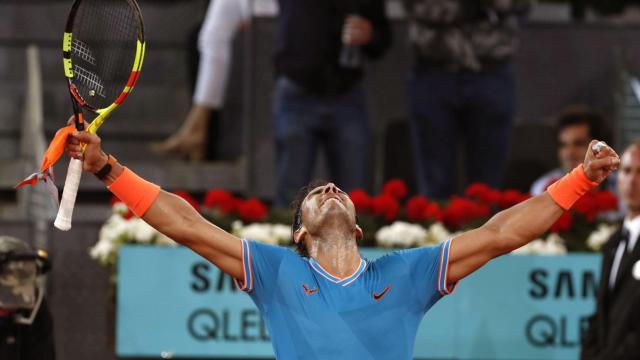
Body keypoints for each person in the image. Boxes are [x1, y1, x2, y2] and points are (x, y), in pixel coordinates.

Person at [66, 124, 619, 358]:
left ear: (358, 226)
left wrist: (580, 181)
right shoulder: (277, 271)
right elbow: (185, 225)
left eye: (339, 189)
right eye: (315, 192)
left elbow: (500, 234)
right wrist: (108, 168)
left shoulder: (406, 274)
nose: (331, 188)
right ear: (300, 232)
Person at [152, 0, 392, 206]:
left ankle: (197, 126)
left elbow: (383, 36)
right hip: (297, 93)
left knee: (354, 201)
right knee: (292, 198)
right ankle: (198, 124)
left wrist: (371, 35)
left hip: (347, 95)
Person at [403, 0, 531, 199]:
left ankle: (484, 228)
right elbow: (418, 7)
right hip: (434, 70)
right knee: (435, 186)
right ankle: (435, 228)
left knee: (487, 188)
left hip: (492, 70)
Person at [581, 142, 640, 360]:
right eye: (626, 171)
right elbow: (600, 315)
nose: (632, 181)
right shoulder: (613, 243)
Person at [0, 236, 55, 360]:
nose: (19, 287)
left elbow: (43, 352)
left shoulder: (35, 307)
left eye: (26, 274)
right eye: (10, 273)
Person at [531, 106, 607, 195]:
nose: (569, 153)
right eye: (563, 145)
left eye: (579, 144)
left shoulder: (621, 184)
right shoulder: (543, 188)